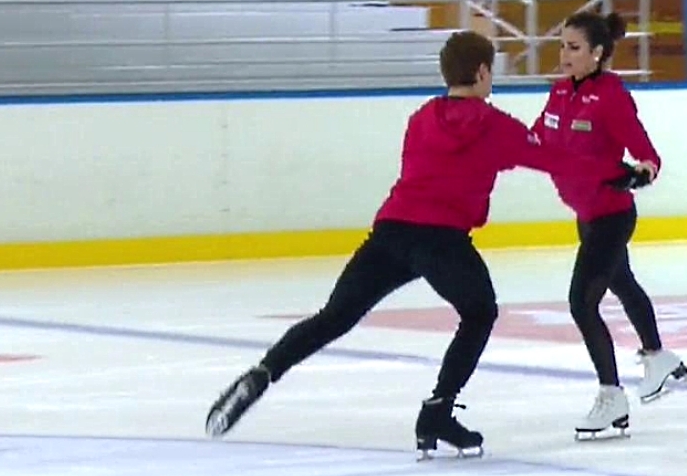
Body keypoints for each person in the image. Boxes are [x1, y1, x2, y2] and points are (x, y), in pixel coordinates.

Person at [204, 31, 653, 459]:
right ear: (481, 72)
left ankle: (263, 373)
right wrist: (622, 174)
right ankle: (438, 411)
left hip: (391, 232)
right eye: (491, 72)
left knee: (334, 316)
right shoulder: (494, 126)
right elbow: (557, 159)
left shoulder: (421, 118)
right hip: (442, 241)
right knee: (479, 313)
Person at [529, 12, 687, 440]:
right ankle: (659, 358)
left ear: (597, 53)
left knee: (581, 303)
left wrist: (641, 172)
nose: (564, 54)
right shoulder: (559, 92)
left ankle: (612, 397)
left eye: (574, 47)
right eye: (562, 46)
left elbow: (646, 153)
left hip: (611, 216)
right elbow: (538, 138)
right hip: (587, 216)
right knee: (622, 282)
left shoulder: (611, 96)